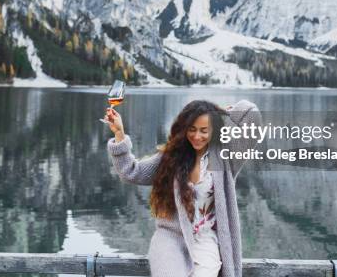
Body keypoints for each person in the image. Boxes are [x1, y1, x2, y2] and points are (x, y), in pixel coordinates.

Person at [105, 99, 262, 277]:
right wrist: (119, 134)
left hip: (205, 238)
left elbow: (252, 116)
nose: (197, 136)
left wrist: (224, 114)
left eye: (204, 130)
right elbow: (131, 172)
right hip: (170, 238)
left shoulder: (226, 157)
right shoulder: (171, 157)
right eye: (192, 129)